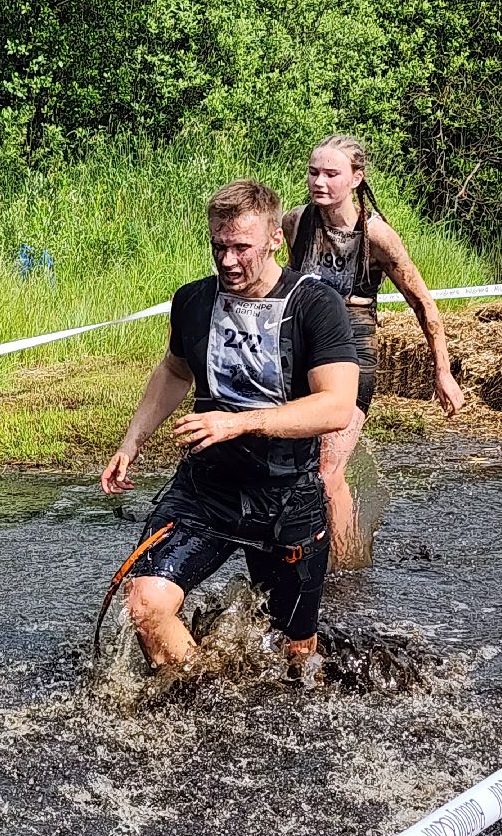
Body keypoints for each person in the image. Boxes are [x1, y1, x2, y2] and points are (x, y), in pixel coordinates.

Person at [100, 180, 359, 666]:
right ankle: (202, 704)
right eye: (218, 246)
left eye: (242, 247)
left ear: (274, 240)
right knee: (145, 605)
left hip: (285, 496)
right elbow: (175, 370)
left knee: (296, 656)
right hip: (207, 487)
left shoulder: (315, 306)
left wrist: (239, 423)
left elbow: (336, 406)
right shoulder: (193, 301)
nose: (228, 261)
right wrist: (132, 441)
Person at [284, 135, 464, 567]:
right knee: (294, 467)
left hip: (353, 347)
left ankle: (346, 571)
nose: (319, 181)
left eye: (331, 174)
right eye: (314, 172)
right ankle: (301, 556)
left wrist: (443, 371)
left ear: (356, 178)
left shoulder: (376, 235)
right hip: (303, 343)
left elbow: (423, 303)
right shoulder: (296, 223)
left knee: (328, 472)